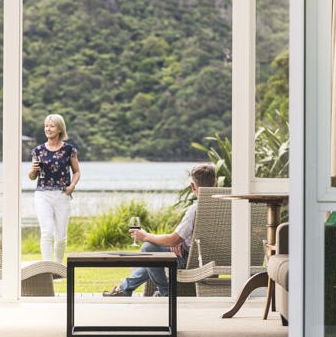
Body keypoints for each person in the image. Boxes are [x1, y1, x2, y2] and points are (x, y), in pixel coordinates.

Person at [103, 163, 216, 297]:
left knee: (149, 248)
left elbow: (172, 240)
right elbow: (180, 239)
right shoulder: (227, 205)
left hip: (190, 258)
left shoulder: (195, 210)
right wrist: (179, 242)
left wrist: (145, 236)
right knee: (153, 259)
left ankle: (165, 292)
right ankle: (124, 289)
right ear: (215, 183)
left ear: (193, 186)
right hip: (212, 256)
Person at [28, 113, 81, 263]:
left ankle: (57, 267)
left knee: (61, 237)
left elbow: (76, 172)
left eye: (51, 126)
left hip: (62, 195)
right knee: (46, 232)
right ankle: (47, 269)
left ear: (59, 129)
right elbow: (32, 176)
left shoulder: (69, 150)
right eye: (46, 126)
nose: (48, 129)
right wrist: (32, 170)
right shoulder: (37, 151)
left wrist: (71, 187)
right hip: (42, 195)